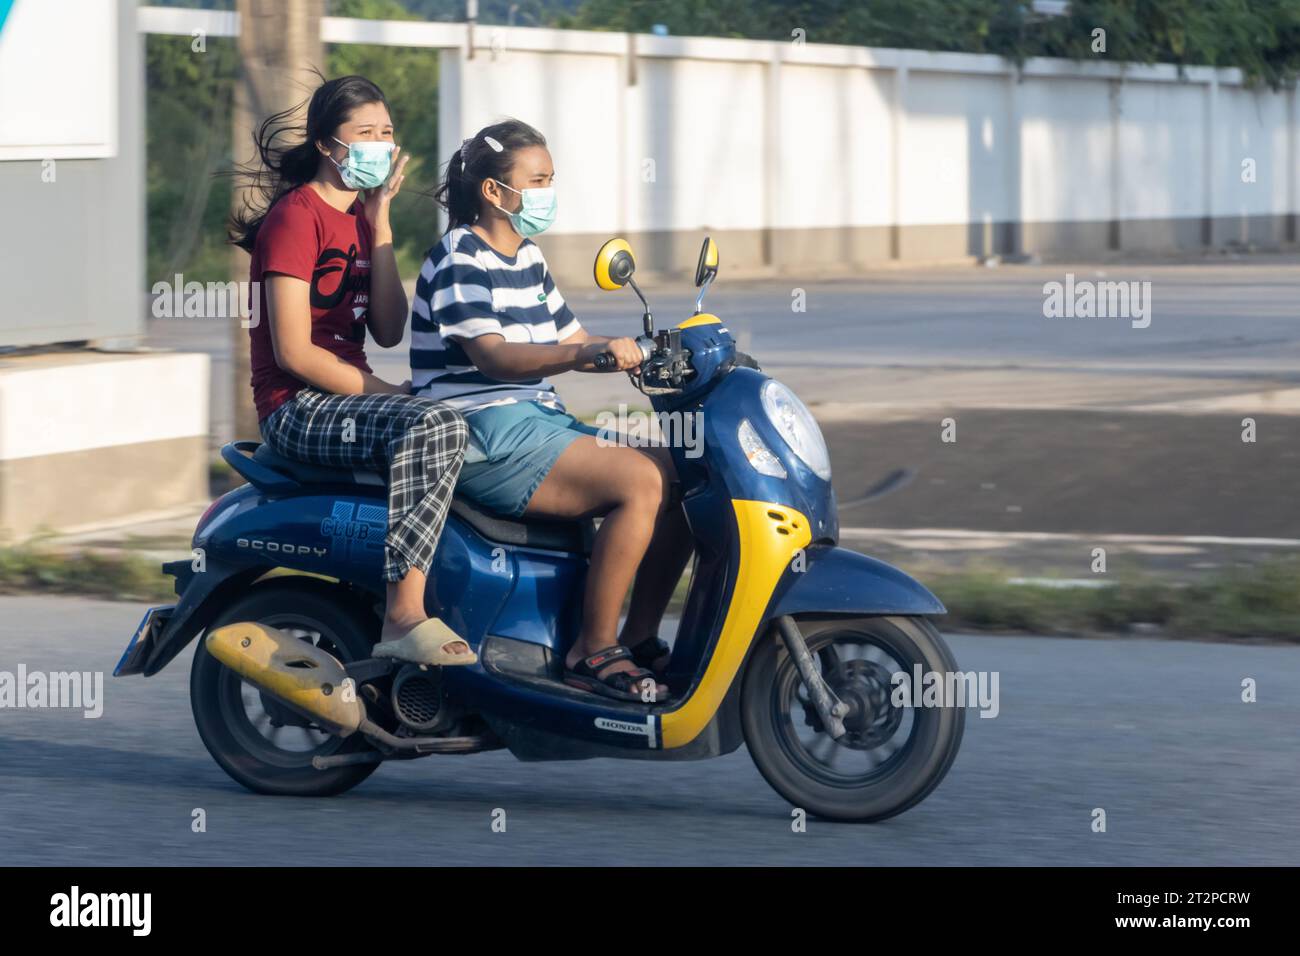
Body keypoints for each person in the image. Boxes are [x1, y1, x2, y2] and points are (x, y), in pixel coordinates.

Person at [411, 119, 693, 701]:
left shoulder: (529, 257)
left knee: (684, 468)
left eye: (551, 179)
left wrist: (643, 357)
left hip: (534, 421)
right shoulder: (461, 255)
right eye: (537, 180)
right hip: (481, 430)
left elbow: (573, 339)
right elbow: (493, 358)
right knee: (640, 481)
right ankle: (591, 651)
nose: (547, 192)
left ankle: (637, 638)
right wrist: (582, 354)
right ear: (494, 191)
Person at [230, 74, 473, 667]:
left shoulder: (363, 220)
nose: (379, 145)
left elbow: (388, 328)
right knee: (434, 424)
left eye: (386, 133)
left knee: (467, 416)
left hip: (342, 399)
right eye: (363, 133)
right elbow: (294, 353)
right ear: (327, 146)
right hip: (295, 407)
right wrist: (393, 394)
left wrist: (380, 219)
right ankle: (403, 613)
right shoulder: (297, 216)